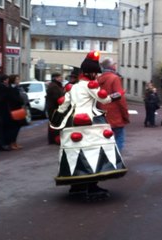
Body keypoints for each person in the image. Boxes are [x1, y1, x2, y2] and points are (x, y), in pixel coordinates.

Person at [49, 51, 127, 200]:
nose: (97, 75)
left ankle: (76, 186)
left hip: (73, 123)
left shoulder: (72, 87)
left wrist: (57, 120)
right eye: (95, 72)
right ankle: (92, 186)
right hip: (91, 122)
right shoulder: (91, 86)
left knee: (74, 153)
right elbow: (104, 100)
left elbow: (63, 105)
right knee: (94, 152)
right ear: (90, 72)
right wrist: (119, 94)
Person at [97, 57, 130, 151]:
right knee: (119, 137)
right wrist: (125, 115)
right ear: (111, 66)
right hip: (115, 114)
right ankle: (115, 159)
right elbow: (120, 99)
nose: (115, 65)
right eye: (114, 64)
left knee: (105, 139)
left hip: (102, 114)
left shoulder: (98, 79)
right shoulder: (114, 78)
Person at [7, 74, 25, 150]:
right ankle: (11, 143)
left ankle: (14, 143)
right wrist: (21, 100)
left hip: (17, 109)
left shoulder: (17, 88)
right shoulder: (11, 89)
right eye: (17, 79)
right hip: (14, 110)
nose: (18, 81)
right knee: (14, 128)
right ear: (13, 80)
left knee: (17, 127)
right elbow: (15, 99)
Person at [45, 72, 64, 144]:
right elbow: (56, 98)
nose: (61, 78)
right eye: (60, 77)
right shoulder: (54, 86)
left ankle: (54, 139)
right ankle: (54, 139)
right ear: (56, 78)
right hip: (54, 108)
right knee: (55, 123)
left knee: (54, 123)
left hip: (54, 108)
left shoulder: (55, 85)